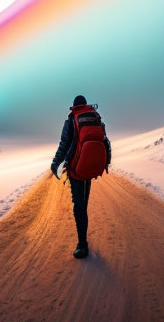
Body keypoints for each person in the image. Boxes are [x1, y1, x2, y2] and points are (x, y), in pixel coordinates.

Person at [50, 95, 112, 259]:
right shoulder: (95, 118)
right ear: (86, 105)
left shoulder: (71, 121)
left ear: (74, 107)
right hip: (90, 167)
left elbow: (63, 145)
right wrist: (106, 162)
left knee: (79, 206)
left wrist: (55, 164)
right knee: (83, 203)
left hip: (76, 169)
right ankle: (83, 241)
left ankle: (82, 245)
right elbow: (106, 142)